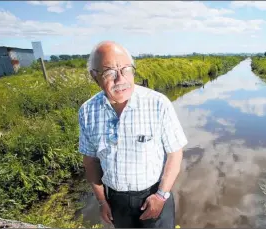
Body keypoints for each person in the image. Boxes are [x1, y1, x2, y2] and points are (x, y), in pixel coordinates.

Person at [78, 41, 188, 228]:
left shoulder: (158, 103)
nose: (120, 79)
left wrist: (161, 195)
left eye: (126, 69)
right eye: (109, 72)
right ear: (95, 77)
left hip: (155, 195)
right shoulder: (87, 111)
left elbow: (175, 153)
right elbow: (91, 161)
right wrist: (102, 201)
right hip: (115, 201)